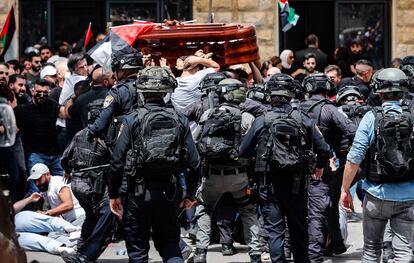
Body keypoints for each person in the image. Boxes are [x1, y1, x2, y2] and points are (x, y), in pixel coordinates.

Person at [108, 66, 200, 262]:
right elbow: (194, 162)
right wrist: (190, 193)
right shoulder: (180, 119)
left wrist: (114, 194)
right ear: (167, 91)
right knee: (170, 246)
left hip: (137, 193)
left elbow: (117, 160)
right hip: (169, 191)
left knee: (138, 250)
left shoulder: (132, 119)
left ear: (141, 90)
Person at [240, 73, 330, 263]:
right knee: (299, 229)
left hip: (269, 184)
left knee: (275, 231)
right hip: (298, 184)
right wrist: (319, 166)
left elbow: (243, 150)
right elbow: (324, 149)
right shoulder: (303, 119)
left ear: (269, 94)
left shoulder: (261, 121)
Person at [340, 67, 414, 262]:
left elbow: (354, 158)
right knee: (405, 253)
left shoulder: (371, 117)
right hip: (408, 197)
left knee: (372, 251)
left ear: (378, 91)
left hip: (376, 196)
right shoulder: (413, 117)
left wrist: (345, 189)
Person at [192, 78, 262, 263]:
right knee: (248, 210)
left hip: (212, 176)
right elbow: (256, 147)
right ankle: (255, 254)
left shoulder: (208, 114)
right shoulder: (247, 117)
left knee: (204, 209)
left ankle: (200, 252)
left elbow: (193, 141)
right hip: (239, 176)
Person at [300, 73, 357, 262]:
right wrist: (345, 155)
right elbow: (352, 131)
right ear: (327, 89)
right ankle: (325, 248)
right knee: (325, 208)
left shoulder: (296, 108)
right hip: (323, 167)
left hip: (295, 167)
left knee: (297, 209)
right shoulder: (330, 110)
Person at [60, 109, 116, 263]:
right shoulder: (105, 137)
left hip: (77, 185)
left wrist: (68, 170)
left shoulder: (79, 134)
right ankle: (86, 256)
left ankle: (80, 251)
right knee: (107, 215)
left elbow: (65, 158)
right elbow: (116, 161)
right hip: (94, 186)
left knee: (91, 218)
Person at [14, 79, 66, 193]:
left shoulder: (52, 104)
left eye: (45, 92)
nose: (41, 95)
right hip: (36, 155)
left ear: (49, 92)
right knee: (35, 189)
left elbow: (66, 113)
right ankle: (34, 210)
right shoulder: (23, 109)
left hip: (54, 154)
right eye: (38, 92)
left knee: (62, 184)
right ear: (32, 91)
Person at [87, 52, 143, 147]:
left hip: (125, 143)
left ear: (123, 71)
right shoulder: (148, 87)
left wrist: (92, 131)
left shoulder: (117, 91)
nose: (113, 73)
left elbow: (104, 118)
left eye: (115, 69)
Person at [13, 193, 80, 256]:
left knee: (21, 217)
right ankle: (70, 229)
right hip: (7, 232)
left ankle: (60, 247)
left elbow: (11, 209)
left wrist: (30, 199)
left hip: (10, 223)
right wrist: (29, 199)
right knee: (43, 222)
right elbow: (12, 209)